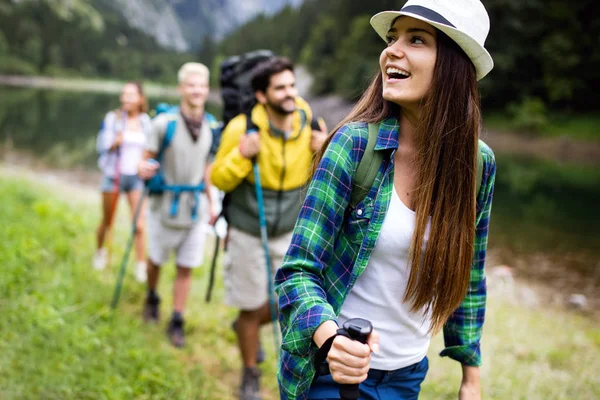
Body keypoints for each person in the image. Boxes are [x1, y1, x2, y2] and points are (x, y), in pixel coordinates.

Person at [275, 0, 497, 399]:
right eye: (393, 37)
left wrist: (471, 377)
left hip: (408, 376)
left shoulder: (478, 166)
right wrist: (332, 341)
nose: (392, 50)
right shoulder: (353, 145)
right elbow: (297, 273)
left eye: (416, 39)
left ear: (454, 65)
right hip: (330, 373)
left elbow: (470, 276)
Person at [210, 57, 328, 400]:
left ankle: (245, 328)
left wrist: (323, 149)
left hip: (291, 229)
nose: (290, 94)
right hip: (249, 226)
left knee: (288, 302)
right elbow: (218, 177)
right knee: (250, 306)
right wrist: (243, 156)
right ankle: (250, 372)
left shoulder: (307, 119)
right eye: (281, 88)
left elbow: (323, 170)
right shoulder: (242, 127)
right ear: (262, 95)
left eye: (292, 85)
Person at [137, 62, 217, 348]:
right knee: (156, 260)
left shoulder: (210, 126)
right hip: (164, 206)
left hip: (195, 209)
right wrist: (143, 168)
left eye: (202, 85)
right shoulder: (164, 124)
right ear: (181, 88)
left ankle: (177, 319)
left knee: (186, 266)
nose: (197, 90)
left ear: (207, 89)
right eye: (191, 85)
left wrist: (212, 203)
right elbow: (145, 159)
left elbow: (207, 167)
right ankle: (152, 296)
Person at [94, 82, 150, 283]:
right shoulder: (113, 119)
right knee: (107, 220)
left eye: (131, 95)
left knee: (140, 225)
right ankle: (100, 253)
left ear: (140, 98)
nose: (126, 98)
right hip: (113, 175)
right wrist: (113, 142)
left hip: (135, 178)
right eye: (124, 94)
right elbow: (101, 145)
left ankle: (141, 265)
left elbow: (149, 149)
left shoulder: (146, 122)